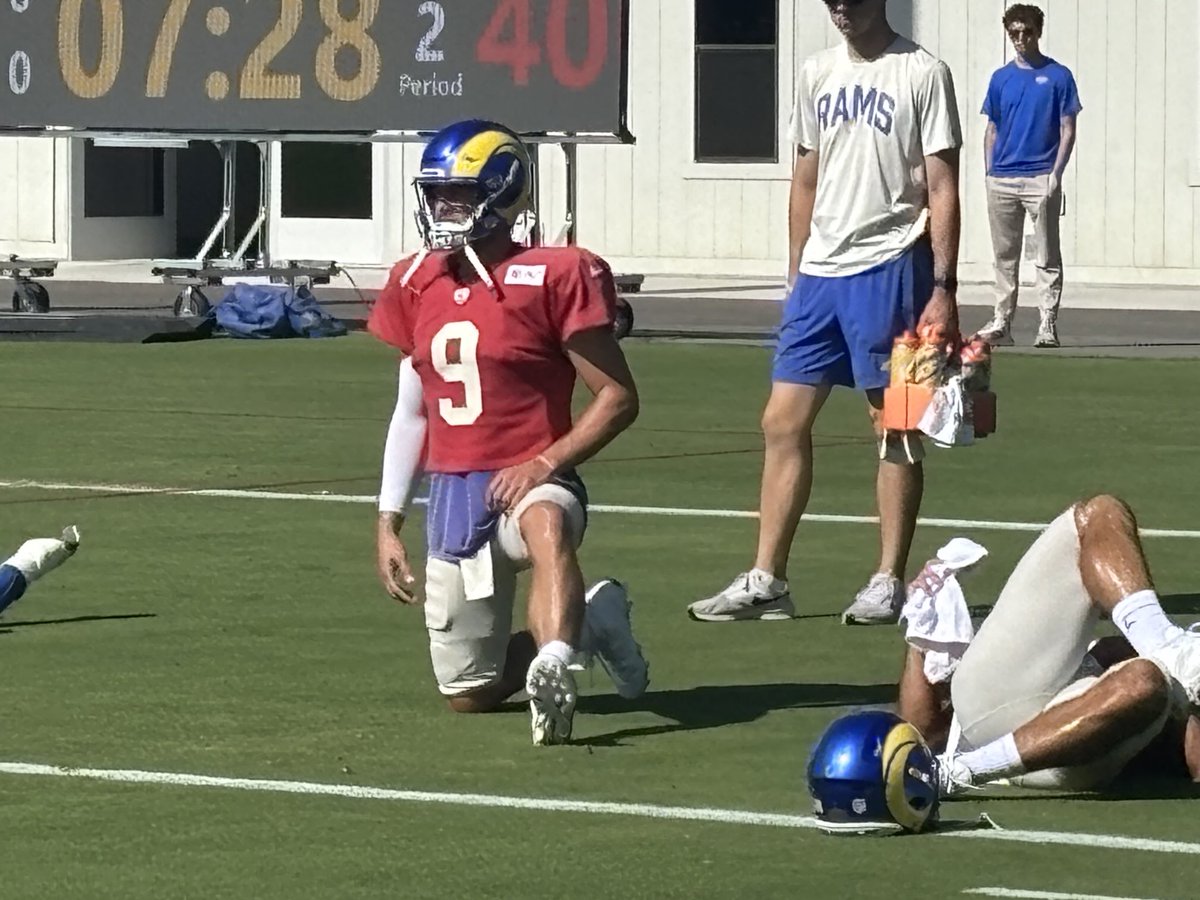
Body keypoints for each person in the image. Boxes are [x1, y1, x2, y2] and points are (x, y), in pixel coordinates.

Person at [368, 119, 649, 746]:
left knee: (545, 524)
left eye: (459, 195)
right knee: (469, 695)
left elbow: (617, 397)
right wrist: (388, 521)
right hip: (453, 495)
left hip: (531, 479)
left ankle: (556, 662)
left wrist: (544, 464)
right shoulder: (415, 280)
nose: (444, 208)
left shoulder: (555, 273)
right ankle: (589, 624)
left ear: (503, 192)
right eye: (436, 194)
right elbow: (411, 412)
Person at [687, 0, 964, 627]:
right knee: (781, 420)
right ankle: (768, 578)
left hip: (895, 264)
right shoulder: (816, 72)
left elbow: (944, 185)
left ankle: (888, 579)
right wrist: (796, 271)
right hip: (820, 276)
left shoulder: (923, 73)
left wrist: (943, 286)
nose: (841, 9)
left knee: (894, 421)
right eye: (831, 0)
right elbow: (805, 179)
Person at [896, 495, 1200, 796]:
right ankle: (1166, 644)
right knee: (1101, 512)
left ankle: (958, 772)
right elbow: (925, 733)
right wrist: (923, 632)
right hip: (1010, 702)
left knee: (1144, 681)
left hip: (1069, 755)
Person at [976, 3, 1082, 349]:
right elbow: (992, 127)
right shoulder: (1000, 78)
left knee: (1046, 254)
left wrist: (1056, 174)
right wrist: (989, 171)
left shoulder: (1058, 76)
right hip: (1002, 179)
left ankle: (1047, 323)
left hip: (1041, 177)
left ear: (1038, 31)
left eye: (1027, 32)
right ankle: (1003, 321)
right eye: (1014, 33)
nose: (1021, 38)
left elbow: (1068, 128)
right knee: (1004, 256)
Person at [0, 526, 80, 616]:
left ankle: (69, 546)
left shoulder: (41, 546)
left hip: (13, 575)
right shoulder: (43, 546)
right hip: (14, 575)